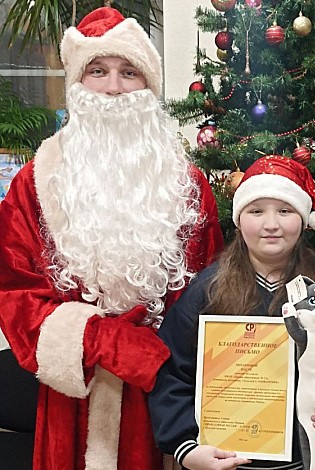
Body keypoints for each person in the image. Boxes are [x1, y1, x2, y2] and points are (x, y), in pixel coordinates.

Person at [0, 7, 224, 470]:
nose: (114, 87)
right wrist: (106, 342)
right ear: (78, 84)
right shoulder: (34, 184)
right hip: (75, 399)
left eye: (129, 72)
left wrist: (172, 364)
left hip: (166, 392)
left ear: (149, 87)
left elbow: (215, 292)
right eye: (97, 71)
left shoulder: (189, 185)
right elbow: (15, 293)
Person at [149, 155, 315, 470]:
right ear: (239, 220)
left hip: (312, 459)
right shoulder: (206, 291)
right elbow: (172, 375)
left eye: (285, 211)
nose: (271, 224)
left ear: (303, 219)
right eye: (256, 211)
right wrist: (186, 447)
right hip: (227, 462)